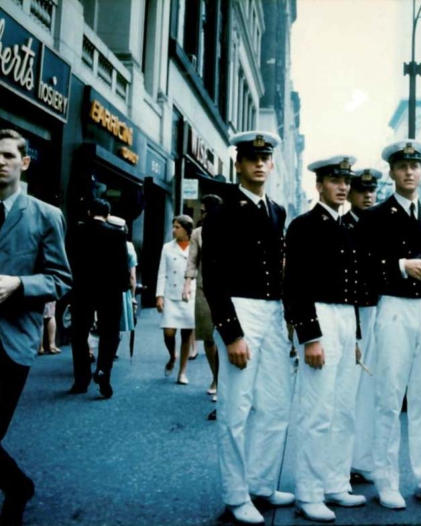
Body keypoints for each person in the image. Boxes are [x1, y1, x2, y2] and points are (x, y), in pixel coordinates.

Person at [201, 131, 294, 525]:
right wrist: (231, 332)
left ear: (272, 164)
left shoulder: (277, 211)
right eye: (251, 158)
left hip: (272, 312)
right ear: (238, 164)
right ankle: (236, 495)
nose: (259, 164)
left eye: (265, 158)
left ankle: (261, 482)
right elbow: (212, 275)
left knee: (275, 405)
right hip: (240, 309)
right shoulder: (222, 211)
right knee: (236, 408)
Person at [365, 139, 421, 509]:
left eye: (415, 166)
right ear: (391, 172)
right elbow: (365, 265)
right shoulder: (376, 216)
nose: (409, 172)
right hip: (394, 307)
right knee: (389, 396)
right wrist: (401, 265)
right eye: (402, 166)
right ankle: (386, 481)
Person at [284, 156, 365, 522]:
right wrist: (310, 336)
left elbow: (354, 286)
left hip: (345, 318)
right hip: (319, 316)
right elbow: (295, 283)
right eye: (335, 180)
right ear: (319, 185)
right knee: (317, 410)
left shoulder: (348, 226)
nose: (343, 187)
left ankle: (335, 483)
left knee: (344, 408)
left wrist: (356, 336)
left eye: (346, 181)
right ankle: (309, 492)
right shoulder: (303, 225)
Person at [0, 128, 71, 526]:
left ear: (24, 163)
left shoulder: (45, 215)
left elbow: (60, 280)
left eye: (9, 155)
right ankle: (17, 485)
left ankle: (18, 486)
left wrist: (19, 284)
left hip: (12, 340)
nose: (1, 161)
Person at [68, 197, 129, 399]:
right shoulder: (117, 234)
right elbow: (122, 265)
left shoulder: (76, 231)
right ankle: (103, 371)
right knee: (109, 333)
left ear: (88, 213)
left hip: (81, 289)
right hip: (110, 291)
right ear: (108, 215)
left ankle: (81, 378)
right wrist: (124, 288)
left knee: (79, 333)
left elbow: (69, 260)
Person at [344, 167, 382, 484]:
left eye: (372, 190)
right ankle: (342, 460)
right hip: (349, 309)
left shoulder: (382, 225)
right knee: (347, 388)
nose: (368, 196)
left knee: (372, 388)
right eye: (362, 190)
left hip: (379, 307)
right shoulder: (343, 225)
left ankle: (363, 457)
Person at [183, 194, 223, 407]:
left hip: (228, 291)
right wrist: (187, 284)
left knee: (225, 337)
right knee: (208, 337)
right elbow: (192, 261)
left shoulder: (229, 229)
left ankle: (224, 381)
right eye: (203, 211)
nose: (203, 214)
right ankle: (216, 377)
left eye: (206, 210)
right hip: (203, 289)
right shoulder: (198, 233)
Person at [156, 215, 195, 385]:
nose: (174, 230)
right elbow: (162, 272)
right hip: (171, 295)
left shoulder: (195, 246)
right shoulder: (167, 247)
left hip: (189, 296)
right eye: (173, 226)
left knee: (186, 334)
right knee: (169, 332)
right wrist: (159, 295)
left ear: (187, 230)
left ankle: (182, 372)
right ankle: (172, 355)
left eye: (177, 227)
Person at [107, 216, 137, 342]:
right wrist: (133, 297)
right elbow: (132, 275)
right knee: (115, 325)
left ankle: (91, 348)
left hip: (97, 288)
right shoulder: (128, 246)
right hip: (119, 290)